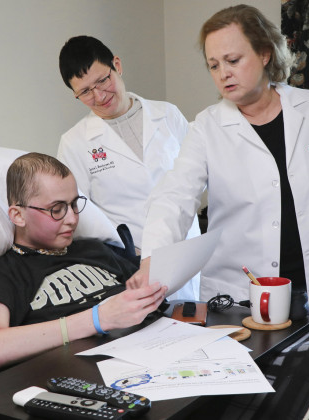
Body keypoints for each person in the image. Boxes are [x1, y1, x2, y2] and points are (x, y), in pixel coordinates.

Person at [130, 5, 309, 313]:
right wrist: (153, 261)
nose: (223, 73)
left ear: (264, 54)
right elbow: (174, 197)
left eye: (233, 60)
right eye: (213, 65)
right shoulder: (207, 128)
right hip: (241, 294)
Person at [0, 153, 167, 391]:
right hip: (83, 383)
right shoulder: (7, 272)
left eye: (74, 204)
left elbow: (142, 292)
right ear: (18, 215)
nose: (72, 219)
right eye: (57, 209)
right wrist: (98, 318)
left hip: (148, 356)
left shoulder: (95, 250)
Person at [57, 35, 201, 301]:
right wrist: (128, 252)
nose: (99, 96)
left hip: (186, 255)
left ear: (117, 65)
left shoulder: (168, 115)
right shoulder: (74, 143)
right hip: (128, 265)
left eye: (102, 80)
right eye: (85, 92)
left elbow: (194, 179)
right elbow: (81, 211)